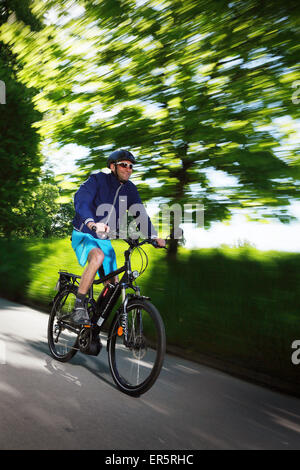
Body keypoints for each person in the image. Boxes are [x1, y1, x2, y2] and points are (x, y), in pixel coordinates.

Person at [70, 149, 166, 325]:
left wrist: (153, 236)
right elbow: (81, 200)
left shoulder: (130, 189)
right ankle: (78, 306)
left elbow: (140, 214)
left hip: (104, 239)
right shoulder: (97, 180)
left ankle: (93, 325)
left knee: (112, 285)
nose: (128, 169)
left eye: (131, 166)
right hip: (84, 232)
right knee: (97, 256)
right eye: (124, 165)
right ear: (112, 166)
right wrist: (92, 223)